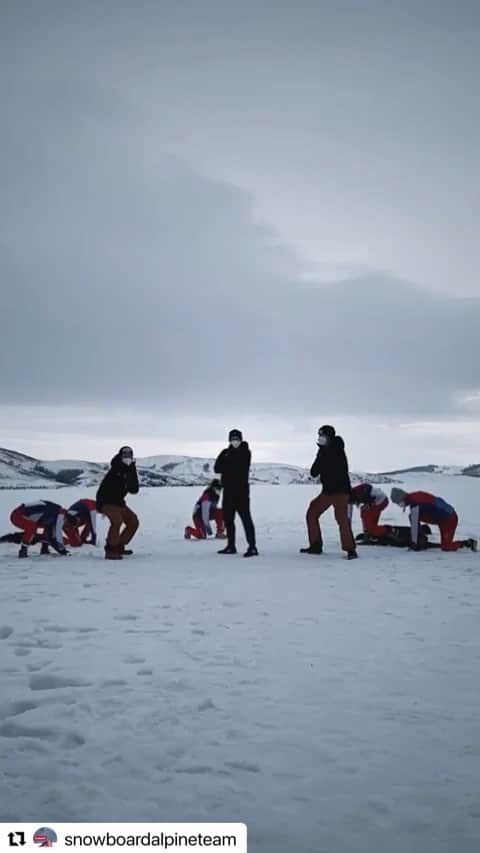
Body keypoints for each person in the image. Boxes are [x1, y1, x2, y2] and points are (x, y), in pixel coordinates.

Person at [301, 425, 357, 559]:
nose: (320, 439)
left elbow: (316, 470)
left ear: (329, 437)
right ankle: (348, 550)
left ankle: (347, 550)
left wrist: (321, 452)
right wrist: (321, 451)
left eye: (322, 436)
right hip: (331, 492)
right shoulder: (332, 449)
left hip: (337, 492)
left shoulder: (333, 450)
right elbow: (314, 472)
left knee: (340, 519)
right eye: (319, 436)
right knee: (313, 513)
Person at [214, 429, 258, 557]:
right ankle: (230, 546)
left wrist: (226, 465)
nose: (235, 441)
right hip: (228, 491)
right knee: (228, 520)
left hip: (241, 492)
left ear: (241, 439)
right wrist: (227, 465)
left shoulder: (246, 452)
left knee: (246, 519)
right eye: (232, 439)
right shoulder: (225, 452)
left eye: (237, 439)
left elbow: (239, 467)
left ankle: (252, 547)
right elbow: (217, 468)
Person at [390, 487, 477, 552]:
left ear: (401, 499)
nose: (399, 505)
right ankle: (420, 538)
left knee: (446, 547)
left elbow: (414, 525)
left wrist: (414, 544)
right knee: (413, 516)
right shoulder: (413, 497)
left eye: (398, 503)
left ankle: (468, 543)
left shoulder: (414, 501)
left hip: (449, 519)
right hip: (441, 518)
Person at [96, 446, 139, 560]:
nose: (127, 457)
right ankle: (111, 549)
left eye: (129, 455)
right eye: (125, 454)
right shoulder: (116, 468)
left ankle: (119, 545)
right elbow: (105, 488)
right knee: (117, 521)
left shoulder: (129, 469)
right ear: (120, 455)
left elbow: (134, 489)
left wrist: (132, 470)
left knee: (133, 521)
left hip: (119, 503)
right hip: (106, 502)